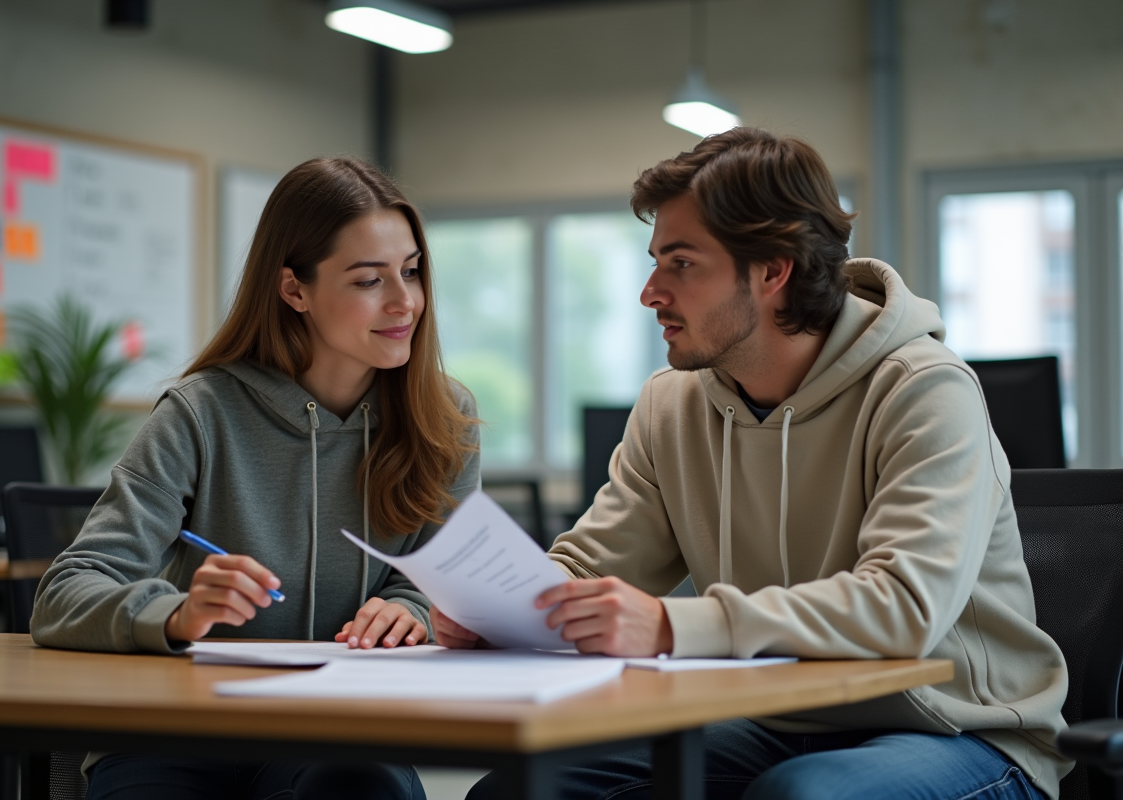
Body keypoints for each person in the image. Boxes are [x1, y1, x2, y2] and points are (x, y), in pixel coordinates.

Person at [439, 128, 1068, 800]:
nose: (651, 292)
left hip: (960, 730)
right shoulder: (669, 404)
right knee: (518, 790)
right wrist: (502, 609)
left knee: (800, 796)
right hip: (778, 720)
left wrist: (671, 624)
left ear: (773, 270)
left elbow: (903, 608)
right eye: (655, 262)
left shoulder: (924, 390)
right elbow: (592, 568)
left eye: (681, 264)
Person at [32, 156, 480, 800]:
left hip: (338, 733)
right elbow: (66, 590)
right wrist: (176, 613)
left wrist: (411, 609)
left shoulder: (444, 417)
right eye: (367, 281)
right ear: (294, 289)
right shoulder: (200, 412)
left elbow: (448, 586)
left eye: (411, 272)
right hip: (184, 732)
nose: (404, 301)